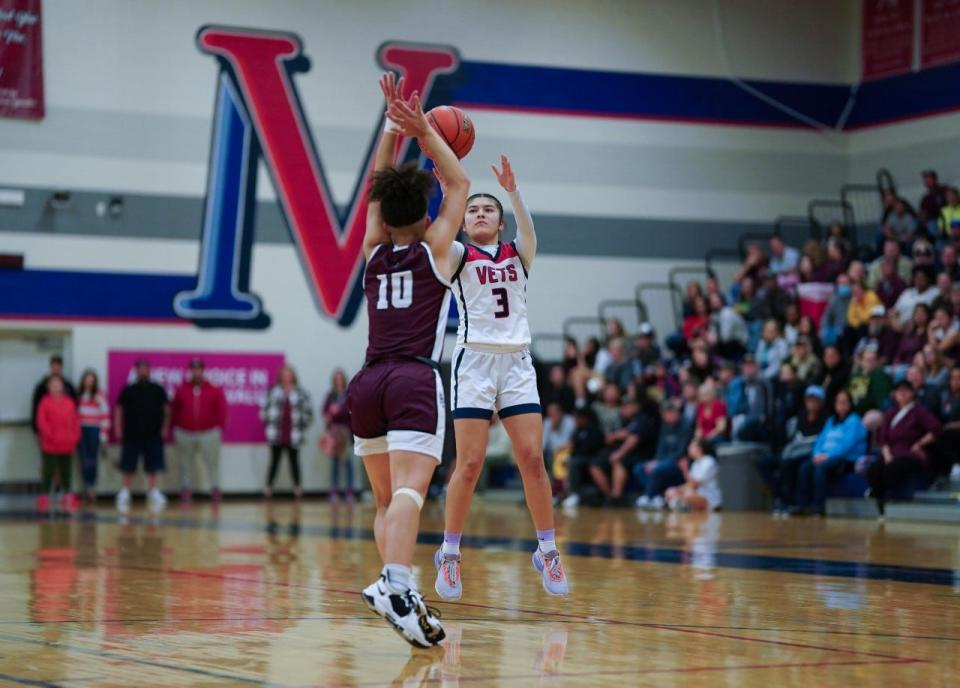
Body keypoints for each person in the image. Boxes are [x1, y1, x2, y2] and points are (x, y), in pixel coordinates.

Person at [351, 74, 469, 648]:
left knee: (384, 501)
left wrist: (391, 130)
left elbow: (378, 190)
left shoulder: (372, 253)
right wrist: (423, 128)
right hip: (413, 378)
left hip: (367, 381)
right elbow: (460, 180)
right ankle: (396, 584)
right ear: (424, 212)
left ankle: (399, 593)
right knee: (410, 495)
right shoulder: (436, 250)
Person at [436, 143, 570, 601]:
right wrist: (450, 200)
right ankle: (450, 554)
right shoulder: (456, 256)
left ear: (499, 219)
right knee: (469, 464)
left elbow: (530, 230)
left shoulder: (519, 253)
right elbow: (437, 239)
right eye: (472, 209)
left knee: (532, 459)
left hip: (516, 363)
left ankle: (547, 550)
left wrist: (514, 194)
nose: (478, 213)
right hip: (473, 361)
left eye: (486, 209)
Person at [869, 380, 941, 515]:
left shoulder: (919, 411)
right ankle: (879, 503)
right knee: (873, 469)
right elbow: (883, 437)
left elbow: (936, 429)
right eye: (898, 391)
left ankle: (892, 501)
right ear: (894, 394)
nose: (901, 394)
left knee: (893, 468)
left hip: (910, 454)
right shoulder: (891, 412)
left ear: (912, 393)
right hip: (891, 453)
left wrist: (920, 443)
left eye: (905, 390)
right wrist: (886, 453)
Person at [793, 389, 866, 515]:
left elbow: (846, 446)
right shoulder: (831, 421)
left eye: (844, 402)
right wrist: (817, 454)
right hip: (824, 457)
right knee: (805, 467)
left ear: (850, 404)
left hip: (845, 459)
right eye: (838, 402)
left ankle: (819, 506)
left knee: (820, 469)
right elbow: (820, 441)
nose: (841, 405)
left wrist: (826, 456)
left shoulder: (854, 421)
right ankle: (802, 505)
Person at [755, 385, 827, 513]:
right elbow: (791, 438)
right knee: (762, 462)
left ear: (821, 402)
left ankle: (791, 502)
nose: (812, 403)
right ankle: (780, 497)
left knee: (790, 464)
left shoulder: (826, 419)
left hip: (809, 453)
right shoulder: (799, 417)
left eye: (815, 400)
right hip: (792, 452)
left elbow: (818, 442)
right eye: (809, 399)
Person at [115, 358, 169, 513]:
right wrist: (118, 427)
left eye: (145, 368)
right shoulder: (128, 389)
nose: (143, 371)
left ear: (149, 370)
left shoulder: (158, 389)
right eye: (140, 368)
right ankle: (125, 492)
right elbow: (119, 409)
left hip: (153, 434)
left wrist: (165, 427)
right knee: (128, 464)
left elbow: (167, 409)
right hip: (131, 434)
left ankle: (153, 492)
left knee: (153, 465)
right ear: (136, 371)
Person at [170, 358, 227, 504]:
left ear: (203, 371)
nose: (196, 372)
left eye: (199, 369)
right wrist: (175, 426)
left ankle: (215, 488)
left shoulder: (214, 389)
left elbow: (222, 410)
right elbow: (174, 409)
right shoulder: (181, 388)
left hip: (209, 432)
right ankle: (186, 489)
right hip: (184, 432)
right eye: (193, 370)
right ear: (190, 371)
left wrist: (218, 426)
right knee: (185, 463)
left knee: (212, 462)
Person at [261, 365, 313, 499]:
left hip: (294, 434)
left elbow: (308, 413)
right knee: (274, 461)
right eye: (284, 374)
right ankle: (268, 488)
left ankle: (297, 488)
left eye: (289, 374)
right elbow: (264, 411)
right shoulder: (273, 391)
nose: (286, 377)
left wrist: (302, 425)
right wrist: (269, 423)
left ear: (293, 376)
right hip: (277, 433)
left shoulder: (301, 393)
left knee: (294, 461)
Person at [634, 398, 693, 510]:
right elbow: (660, 448)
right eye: (666, 413)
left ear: (677, 413)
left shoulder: (686, 427)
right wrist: (655, 461)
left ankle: (649, 496)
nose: (669, 415)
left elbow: (681, 452)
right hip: (663, 460)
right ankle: (656, 495)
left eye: (671, 412)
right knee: (639, 468)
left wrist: (658, 463)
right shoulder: (664, 427)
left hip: (677, 461)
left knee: (657, 469)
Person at [35, 376, 81, 511]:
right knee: (48, 470)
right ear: (49, 387)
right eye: (53, 384)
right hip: (50, 444)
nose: (56, 386)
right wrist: (51, 435)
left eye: (58, 384)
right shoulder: (45, 402)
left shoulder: (69, 402)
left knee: (66, 470)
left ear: (62, 386)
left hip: (67, 444)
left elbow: (75, 421)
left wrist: (75, 436)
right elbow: (41, 422)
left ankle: (67, 494)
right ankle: (44, 495)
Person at [76, 369, 110, 503]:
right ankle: (85, 486)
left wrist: (103, 436)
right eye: (87, 379)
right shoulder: (79, 395)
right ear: (83, 381)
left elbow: (105, 415)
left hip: (94, 429)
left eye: (92, 380)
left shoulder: (99, 395)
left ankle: (91, 487)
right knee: (83, 459)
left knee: (92, 459)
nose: (89, 382)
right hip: (81, 429)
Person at [321, 368, 354, 502]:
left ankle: (349, 490)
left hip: (346, 432)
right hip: (334, 433)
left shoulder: (348, 394)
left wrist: (337, 410)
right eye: (337, 379)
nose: (339, 381)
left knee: (347, 462)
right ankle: (334, 490)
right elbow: (325, 411)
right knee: (334, 463)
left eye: (341, 379)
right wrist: (329, 415)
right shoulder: (330, 395)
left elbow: (349, 410)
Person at [664, 438, 722, 512]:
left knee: (687, 494)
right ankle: (680, 503)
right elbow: (690, 484)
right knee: (671, 491)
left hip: (710, 499)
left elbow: (695, 484)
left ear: (699, 448)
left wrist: (685, 470)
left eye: (691, 447)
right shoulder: (695, 463)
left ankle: (681, 503)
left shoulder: (709, 461)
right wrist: (676, 489)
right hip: (698, 494)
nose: (688, 449)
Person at [31, 355, 76, 435]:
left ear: (61, 368)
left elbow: (74, 410)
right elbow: (35, 408)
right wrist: (36, 430)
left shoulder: (69, 386)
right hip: (46, 431)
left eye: (58, 367)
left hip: (65, 431)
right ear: (50, 367)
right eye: (53, 367)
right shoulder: (41, 386)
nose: (56, 369)